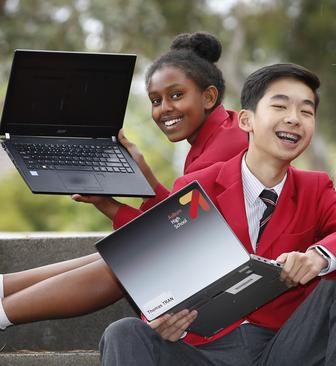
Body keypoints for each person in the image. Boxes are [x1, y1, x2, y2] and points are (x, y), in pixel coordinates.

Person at [99, 63, 336, 366]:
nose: (294, 119)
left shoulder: (314, 188)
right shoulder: (197, 188)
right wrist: (162, 322)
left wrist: (316, 256)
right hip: (205, 352)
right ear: (246, 120)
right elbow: (162, 273)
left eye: (306, 112)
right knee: (125, 332)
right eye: (280, 106)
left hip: (285, 348)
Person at [0, 32, 247, 329]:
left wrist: (110, 206)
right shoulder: (219, 132)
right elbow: (184, 218)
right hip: (207, 258)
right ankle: (3, 287)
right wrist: (142, 172)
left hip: (233, 287)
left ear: (208, 96)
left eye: (176, 95)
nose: (164, 109)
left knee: (130, 260)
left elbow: (171, 236)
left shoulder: (225, 146)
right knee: (117, 253)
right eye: (156, 100)